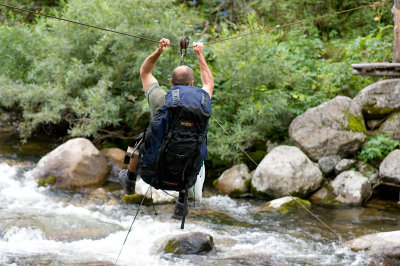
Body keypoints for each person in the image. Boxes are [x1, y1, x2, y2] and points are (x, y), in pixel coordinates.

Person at [119, 38, 214, 219]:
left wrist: (159, 51)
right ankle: (182, 200)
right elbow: (209, 83)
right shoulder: (203, 101)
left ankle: (130, 179)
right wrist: (200, 55)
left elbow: (145, 72)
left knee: (136, 143)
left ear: (171, 82)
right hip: (185, 175)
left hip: (153, 170)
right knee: (197, 150)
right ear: (192, 84)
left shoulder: (160, 101)